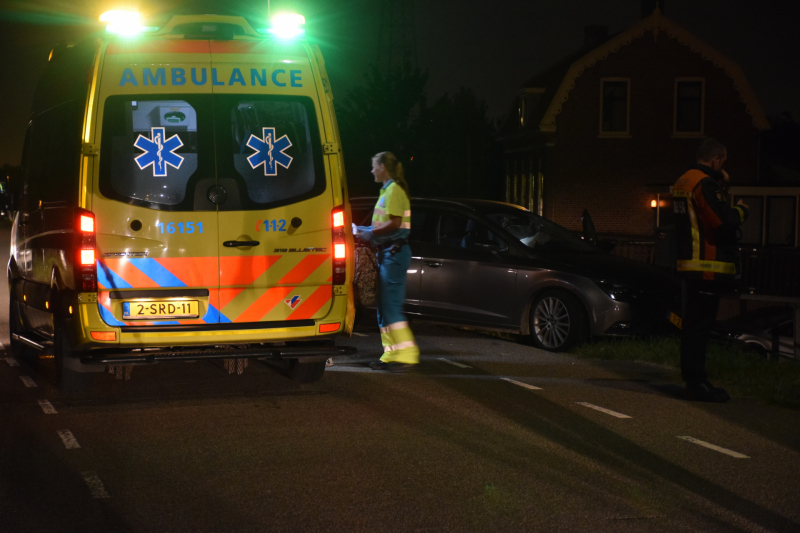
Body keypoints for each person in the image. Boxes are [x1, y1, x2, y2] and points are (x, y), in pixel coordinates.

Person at [673, 138, 748, 402]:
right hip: (706, 266)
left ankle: (693, 380)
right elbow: (723, 221)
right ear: (715, 160)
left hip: (689, 264)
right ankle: (697, 383)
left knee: (692, 327)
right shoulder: (704, 183)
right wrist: (741, 209)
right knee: (699, 329)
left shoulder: (683, 180)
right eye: (722, 162)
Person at [354, 152, 420, 372]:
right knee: (384, 309)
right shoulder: (389, 190)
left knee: (391, 308)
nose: (371, 171)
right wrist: (361, 231)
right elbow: (385, 227)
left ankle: (406, 354)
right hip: (389, 253)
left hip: (394, 254)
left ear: (382, 167)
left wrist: (367, 233)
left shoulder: (393, 191)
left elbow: (394, 224)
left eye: (374, 167)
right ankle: (390, 355)